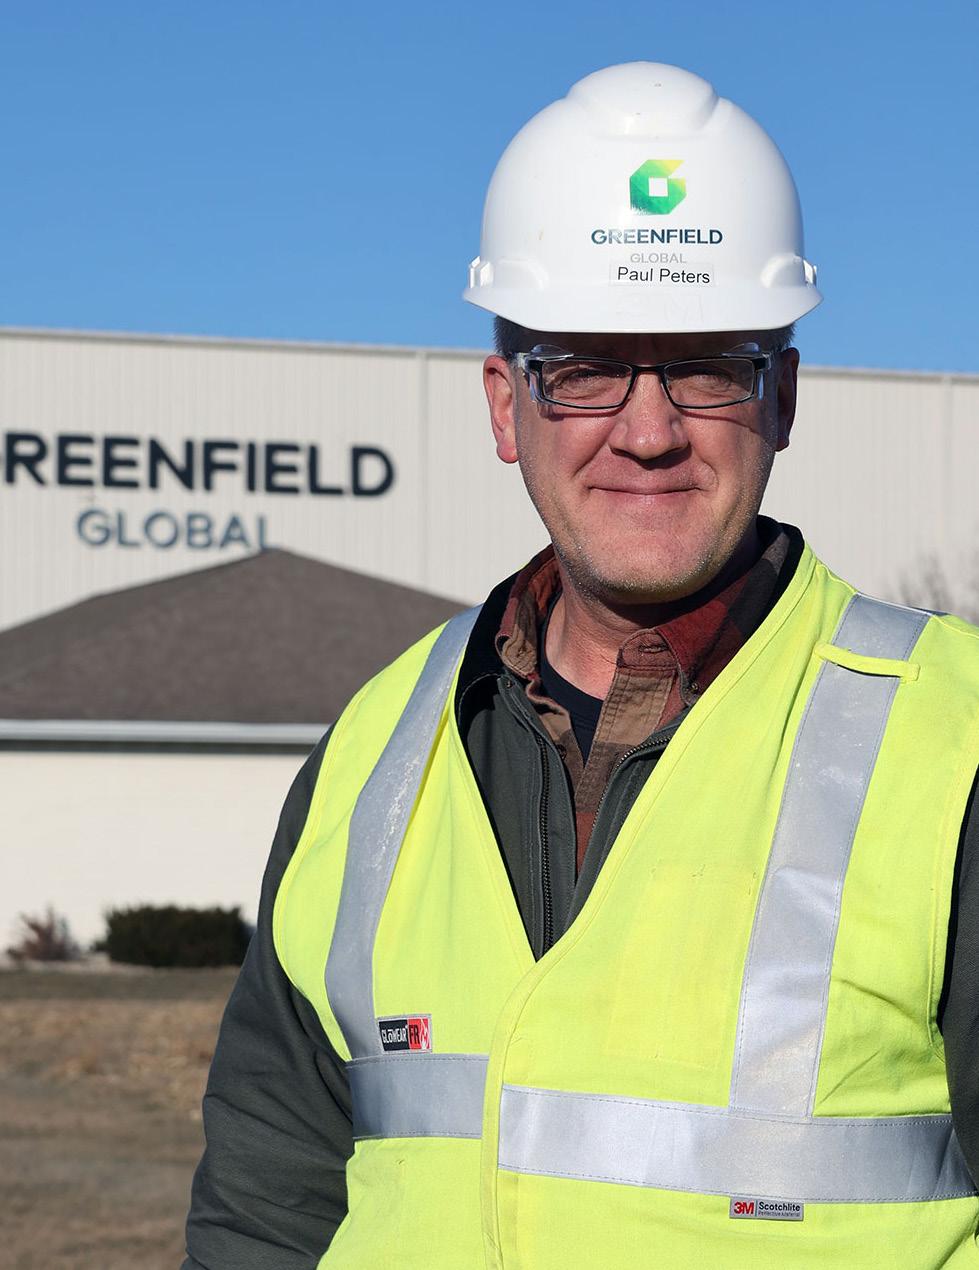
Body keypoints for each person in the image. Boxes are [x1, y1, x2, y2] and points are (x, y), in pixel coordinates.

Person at [184, 62, 979, 1268]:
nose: (647, 431)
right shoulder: (375, 749)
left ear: (781, 397)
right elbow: (268, 1202)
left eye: (707, 365)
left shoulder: (951, 736)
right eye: (584, 366)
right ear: (505, 405)